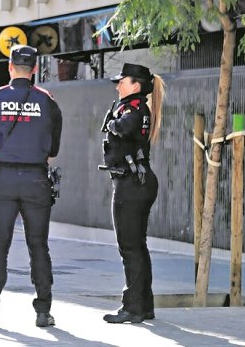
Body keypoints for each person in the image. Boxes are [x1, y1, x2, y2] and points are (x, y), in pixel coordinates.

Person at [0, 45, 63, 329]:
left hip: (2, 182)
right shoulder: (47, 102)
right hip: (37, 180)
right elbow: (54, 150)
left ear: (10, 68)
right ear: (34, 69)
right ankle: (43, 312)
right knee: (39, 246)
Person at [99, 63, 165, 324]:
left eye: (122, 81)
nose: (118, 86)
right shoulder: (136, 107)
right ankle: (144, 305)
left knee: (129, 247)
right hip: (137, 181)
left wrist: (111, 122)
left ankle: (133, 307)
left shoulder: (135, 109)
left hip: (132, 183)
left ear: (136, 85)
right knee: (137, 246)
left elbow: (123, 128)